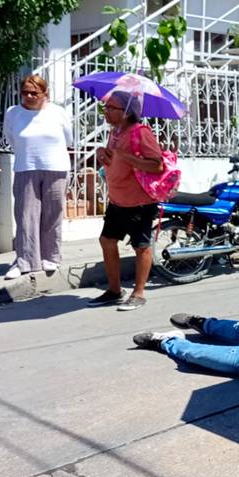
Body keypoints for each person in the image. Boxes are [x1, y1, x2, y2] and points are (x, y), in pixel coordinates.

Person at [87, 90, 164, 311]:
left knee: (141, 246)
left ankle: (138, 293)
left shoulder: (141, 132)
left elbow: (157, 165)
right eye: (106, 107)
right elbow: (113, 157)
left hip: (139, 201)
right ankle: (114, 290)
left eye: (111, 108)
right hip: (117, 200)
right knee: (107, 241)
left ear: (127, 112)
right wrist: (103, 152)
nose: (106, 111)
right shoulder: (116, 132)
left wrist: (127, 157)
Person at [3, 75, 72, 280]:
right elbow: (10, 138)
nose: (29, 96)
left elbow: (68, 139)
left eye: (35, 92)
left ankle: (51, 257)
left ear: (46, 93)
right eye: (25, 92)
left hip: (56, 167)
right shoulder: (13, 113)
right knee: (25, 217)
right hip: (26, 167)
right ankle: (24, 261)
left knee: (53, 214)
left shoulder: (58, 112)